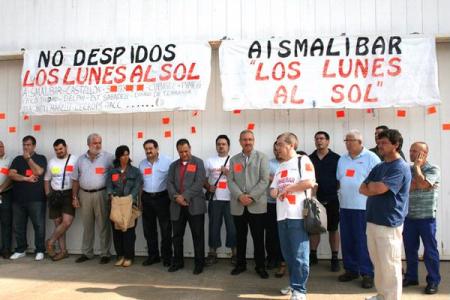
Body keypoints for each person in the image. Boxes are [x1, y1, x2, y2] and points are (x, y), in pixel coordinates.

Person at [360, 129, 411, 300]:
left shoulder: (400, 167)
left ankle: (392, 297)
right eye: (379, 143)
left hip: (389, 223)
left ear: (396, 145)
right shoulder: (380, 166)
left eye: (384, 143)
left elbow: (379, 188)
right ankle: (382, 294)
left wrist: (373, 186)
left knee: (390, 264)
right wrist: (374, 187)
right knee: (378, 262)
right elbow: (362, 188)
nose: (380, 146)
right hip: (373, 220)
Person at [270, 132, 316, 300]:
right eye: (277, 145)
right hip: (282, 216)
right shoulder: (280, 166)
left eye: (280, 144)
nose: (277, 148)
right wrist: (276, 192)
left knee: (300, 254)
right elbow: (273, 189)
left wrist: (287, 189)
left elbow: (309, 182)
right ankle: (293, 283)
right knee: (288, 253)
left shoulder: (302, 160)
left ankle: (300, 290)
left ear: (291, 145)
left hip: (297, 214)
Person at [336, 130, 380, 288]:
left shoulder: (371, 158)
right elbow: (340, 180)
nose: (347, 143)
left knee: (363, 241)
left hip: (363, 207)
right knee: (347, 240)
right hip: (345, 206)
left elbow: (378, 181)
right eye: (346, 140)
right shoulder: (342, 159)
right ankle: (351, 269)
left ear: (360, 142)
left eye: (351, 140)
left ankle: (367, 273)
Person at [228, 130, 270, 279]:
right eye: (244, 140)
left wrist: (251, 197)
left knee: (258, 237)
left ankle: (260, 266)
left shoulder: (262, 158)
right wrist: (240, 196)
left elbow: (264, 180)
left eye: (250, 139)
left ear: (254, 140)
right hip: (238, 205)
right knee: (240, 237)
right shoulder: (234, 160)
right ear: (240, 141)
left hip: (256, 205)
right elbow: (230, 180)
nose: (248, 142)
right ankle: (241, 264)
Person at [402, 142, 440, 295]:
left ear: (424, 153)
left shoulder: (433, 169)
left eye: (415, 151)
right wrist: (418, 181)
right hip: (409, 217)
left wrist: (418, 169)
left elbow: (424, 184)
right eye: (410, 150)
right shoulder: (407, 169)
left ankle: (433, 281)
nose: (411, 153)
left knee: (430, 252)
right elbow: (408, 187)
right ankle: (411, 277)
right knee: (410, 249)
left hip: (427, 218)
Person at [72, 133, 114, 264]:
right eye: (95, 143)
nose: (98, 145)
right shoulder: (80, 160)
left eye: (100, 142)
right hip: (84, 195)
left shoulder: (108, 158)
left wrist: (112, 193)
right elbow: (75, 180)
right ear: (88, 144)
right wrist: (74, 197)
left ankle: (105, 253)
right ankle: (87, 253)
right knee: (87, 225)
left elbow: (116, 176)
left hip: (101, 194)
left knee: (103, 225)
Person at [167, 138, 206, 275]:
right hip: (177, 206)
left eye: (186, 151)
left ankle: (199, 263)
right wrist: (176, 197)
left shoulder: (198, 162)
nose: (184, 154)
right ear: (177, 151)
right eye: (181, 151)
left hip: (194, 205)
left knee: (198, 235)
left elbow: (199, 182)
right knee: (177, 236)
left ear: (190, 148)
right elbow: (169, 183)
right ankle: (178, 262)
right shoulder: (173, 166)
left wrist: (184, 196)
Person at [8, 135, 47, 261]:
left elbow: (39, 172)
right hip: (18, 199)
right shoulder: (17, 159)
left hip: (36, 199)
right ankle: (21, 250)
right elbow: (11, 175)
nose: (26, 147)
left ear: (34, 146)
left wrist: (29, 159)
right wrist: (26, 178)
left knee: (39, 226)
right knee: (18, 226)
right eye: (24, 145)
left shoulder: (40, 158)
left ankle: (40, 250)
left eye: (28, 145)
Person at [309, 131, 341, 272]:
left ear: (328, 141)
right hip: (315, 199)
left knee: (333, 229)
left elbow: (340, 180)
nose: (319, 141)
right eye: (316, 139)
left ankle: (334, 258)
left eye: (322, 139)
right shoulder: (309, 159)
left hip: (332, 199)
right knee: (314, 228)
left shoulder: (337, 158)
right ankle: (313, 255)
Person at [106, 145, 143, 267]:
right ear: (118, 157)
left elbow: (137, 186)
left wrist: (130, 197)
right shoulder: (112, 171)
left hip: (130, 204)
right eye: (122, 155)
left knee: (129, 232)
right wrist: (111, 195)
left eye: (127, 154)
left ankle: (129, 256)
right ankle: (120, 255)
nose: (125, 157)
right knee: (117, 231)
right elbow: (109, 185)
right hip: (116, 204)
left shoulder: (135, 171)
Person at [139, 139, 173, 267]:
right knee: (149, 230)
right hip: (147, 199)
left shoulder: (167, 161)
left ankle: (167, 257)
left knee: (165, 229)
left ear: (157, 148)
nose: (148, 151)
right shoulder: (142, 164)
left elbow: (172, 180)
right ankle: (153, 256)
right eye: (146, 149)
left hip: (162, 198)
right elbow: (141, 184)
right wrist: (140, 200)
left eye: (150, 148)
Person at [204, 134, 236, 266]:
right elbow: (204, 179)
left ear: (228, 146)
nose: (221, 146)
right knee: (214, 227)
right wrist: (208, 186)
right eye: (219, 144)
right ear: (216, 146)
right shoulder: (209, 161)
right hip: (215, 199)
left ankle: (235, 254)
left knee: (232, 228)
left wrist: (228, 173)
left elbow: (240, 180)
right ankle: (212, 253)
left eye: (224, 144)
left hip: (231, 199)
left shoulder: (235, 161)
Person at [44, 139, 78, 261]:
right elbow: (47, 179)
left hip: (68, 194)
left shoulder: (74, 160)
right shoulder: (52, 162)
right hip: (55, 194)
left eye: (61, 148)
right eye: (56, 150)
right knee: (58, 223)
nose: (59, 151)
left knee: (67, 222)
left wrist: (75, 197)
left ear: (66, 147)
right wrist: (48, 194)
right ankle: (63, 251)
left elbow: (76, 179)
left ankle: (50, 241)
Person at [266, 141, 285, 277]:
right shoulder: (269, 163)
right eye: (275, 148)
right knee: (271, 232)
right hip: (271, 203)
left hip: (285, 204)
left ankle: (282, 260)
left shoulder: (290, 163)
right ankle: (271, 258)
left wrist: (274, 179)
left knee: (283, 233)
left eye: (279, 148)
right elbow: (264, 177)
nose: (277, 150)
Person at [0, 141, 13, 259]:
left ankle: (6, 249)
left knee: (6, 223)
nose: (0, 148)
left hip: (5, 195)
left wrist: (1, 189)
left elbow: (10, 177)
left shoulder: (9, 160)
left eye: (1, 146)